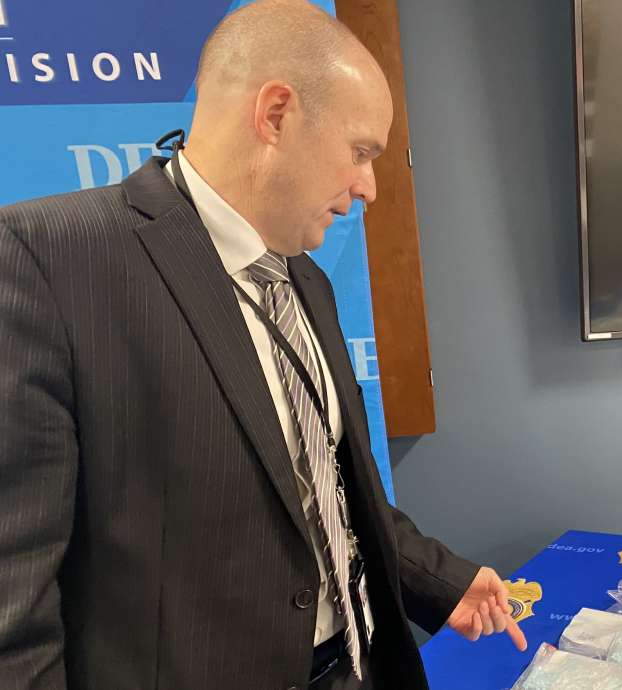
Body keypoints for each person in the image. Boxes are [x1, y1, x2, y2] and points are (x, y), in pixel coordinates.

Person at [0, 1, 526, 688]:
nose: (368, 185)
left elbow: (331, 493)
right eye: (361, 150)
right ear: (276, 114)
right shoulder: (49, 259)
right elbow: (14, 596)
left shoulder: (307, 280)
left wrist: (443, 582)